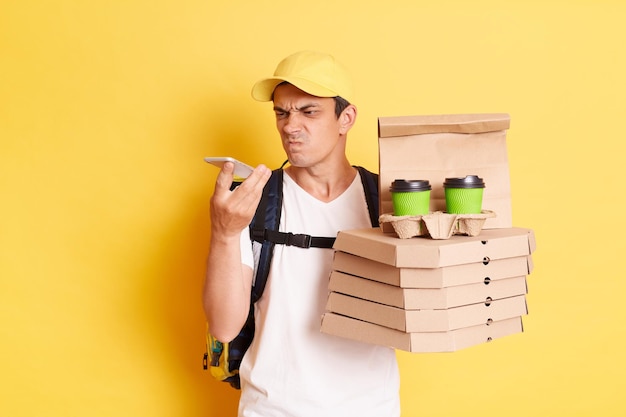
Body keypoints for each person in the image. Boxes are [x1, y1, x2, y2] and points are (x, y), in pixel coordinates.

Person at [203, 51, 400, 417]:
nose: (290, 126)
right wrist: (224, 233)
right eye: (282, 112)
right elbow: (224, 326)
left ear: (346, 118)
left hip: (372, 407)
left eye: (308, 112)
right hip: (272, 408)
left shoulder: (387, 201)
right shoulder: (253, 199)